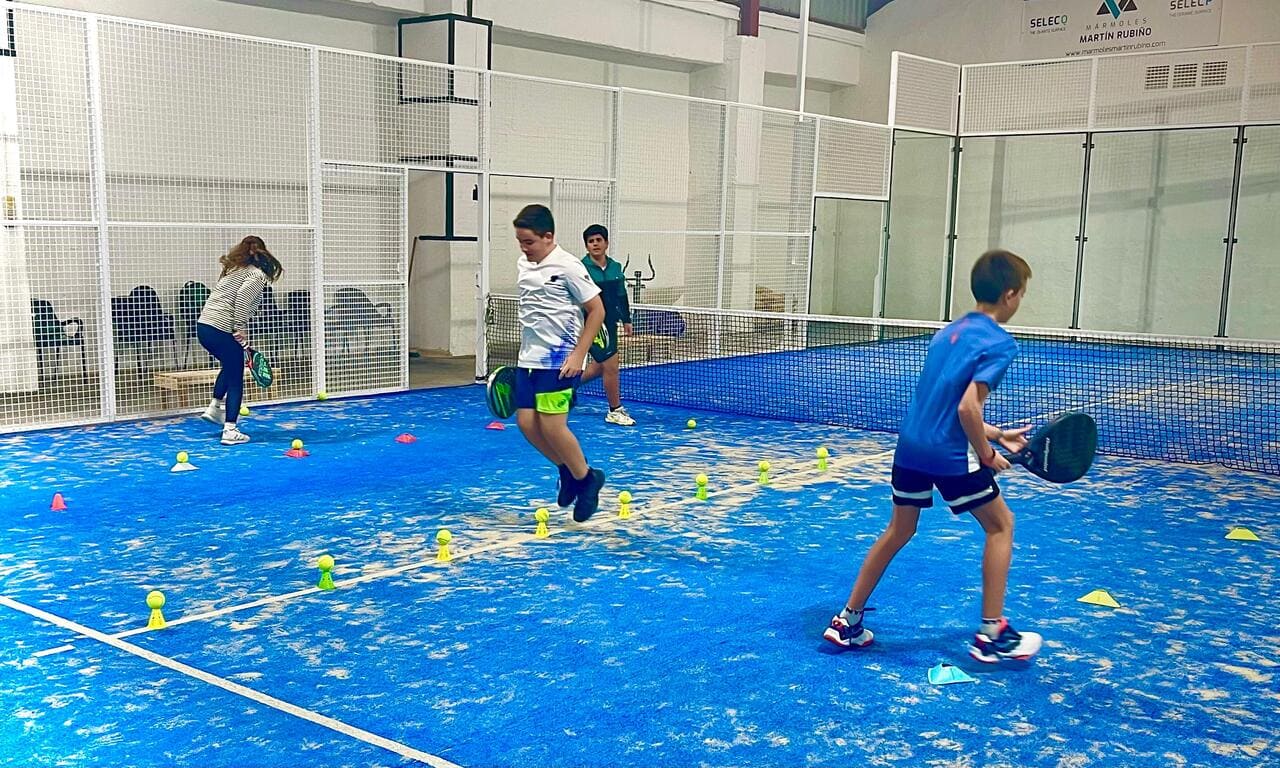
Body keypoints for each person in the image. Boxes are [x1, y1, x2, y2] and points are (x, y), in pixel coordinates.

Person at [824, 249, 1042, 664]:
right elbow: (965, 409)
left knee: (899, 530)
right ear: (1010, 295)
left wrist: (997, 432)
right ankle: (992, 633)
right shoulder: (1000, 343)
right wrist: (987, 451)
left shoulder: (948, 332)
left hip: (910, 446)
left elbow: (942, 402)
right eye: (1022, 294)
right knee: (1001, 526)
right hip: (948, 453)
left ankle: (847, 620)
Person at [512, 205, 608, 522]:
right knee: (527, 423)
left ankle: (587, 478)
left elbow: (597, 311)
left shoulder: (568, 267)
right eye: (520, 242)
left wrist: (579, 354)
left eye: (529, 242)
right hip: (528, 358)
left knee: (553, 426)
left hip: (560, 359)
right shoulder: (524, 264)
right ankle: (567, 471)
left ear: (548, 236)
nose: (524, 248)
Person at [196, 235, 283, 445]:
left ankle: (214, 407)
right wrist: (239, 329)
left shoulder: (233, 270)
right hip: (221, 328)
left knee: (231, 363)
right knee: (236, 377)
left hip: (204, 327)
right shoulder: (256, 275)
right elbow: (243, 299)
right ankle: (230, 431)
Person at [578, 224, 635, 426]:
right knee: (611, 364)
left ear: (606, 243)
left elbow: (621, 295)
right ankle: (614, 410)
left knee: (601, 367)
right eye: (591, 241)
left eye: (598, 240)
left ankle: (564, 388)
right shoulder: (581, 268)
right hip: (592, 323)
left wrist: (626, 319)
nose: (595, 244)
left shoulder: (616, 268)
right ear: (587, 246)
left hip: (611, 322)